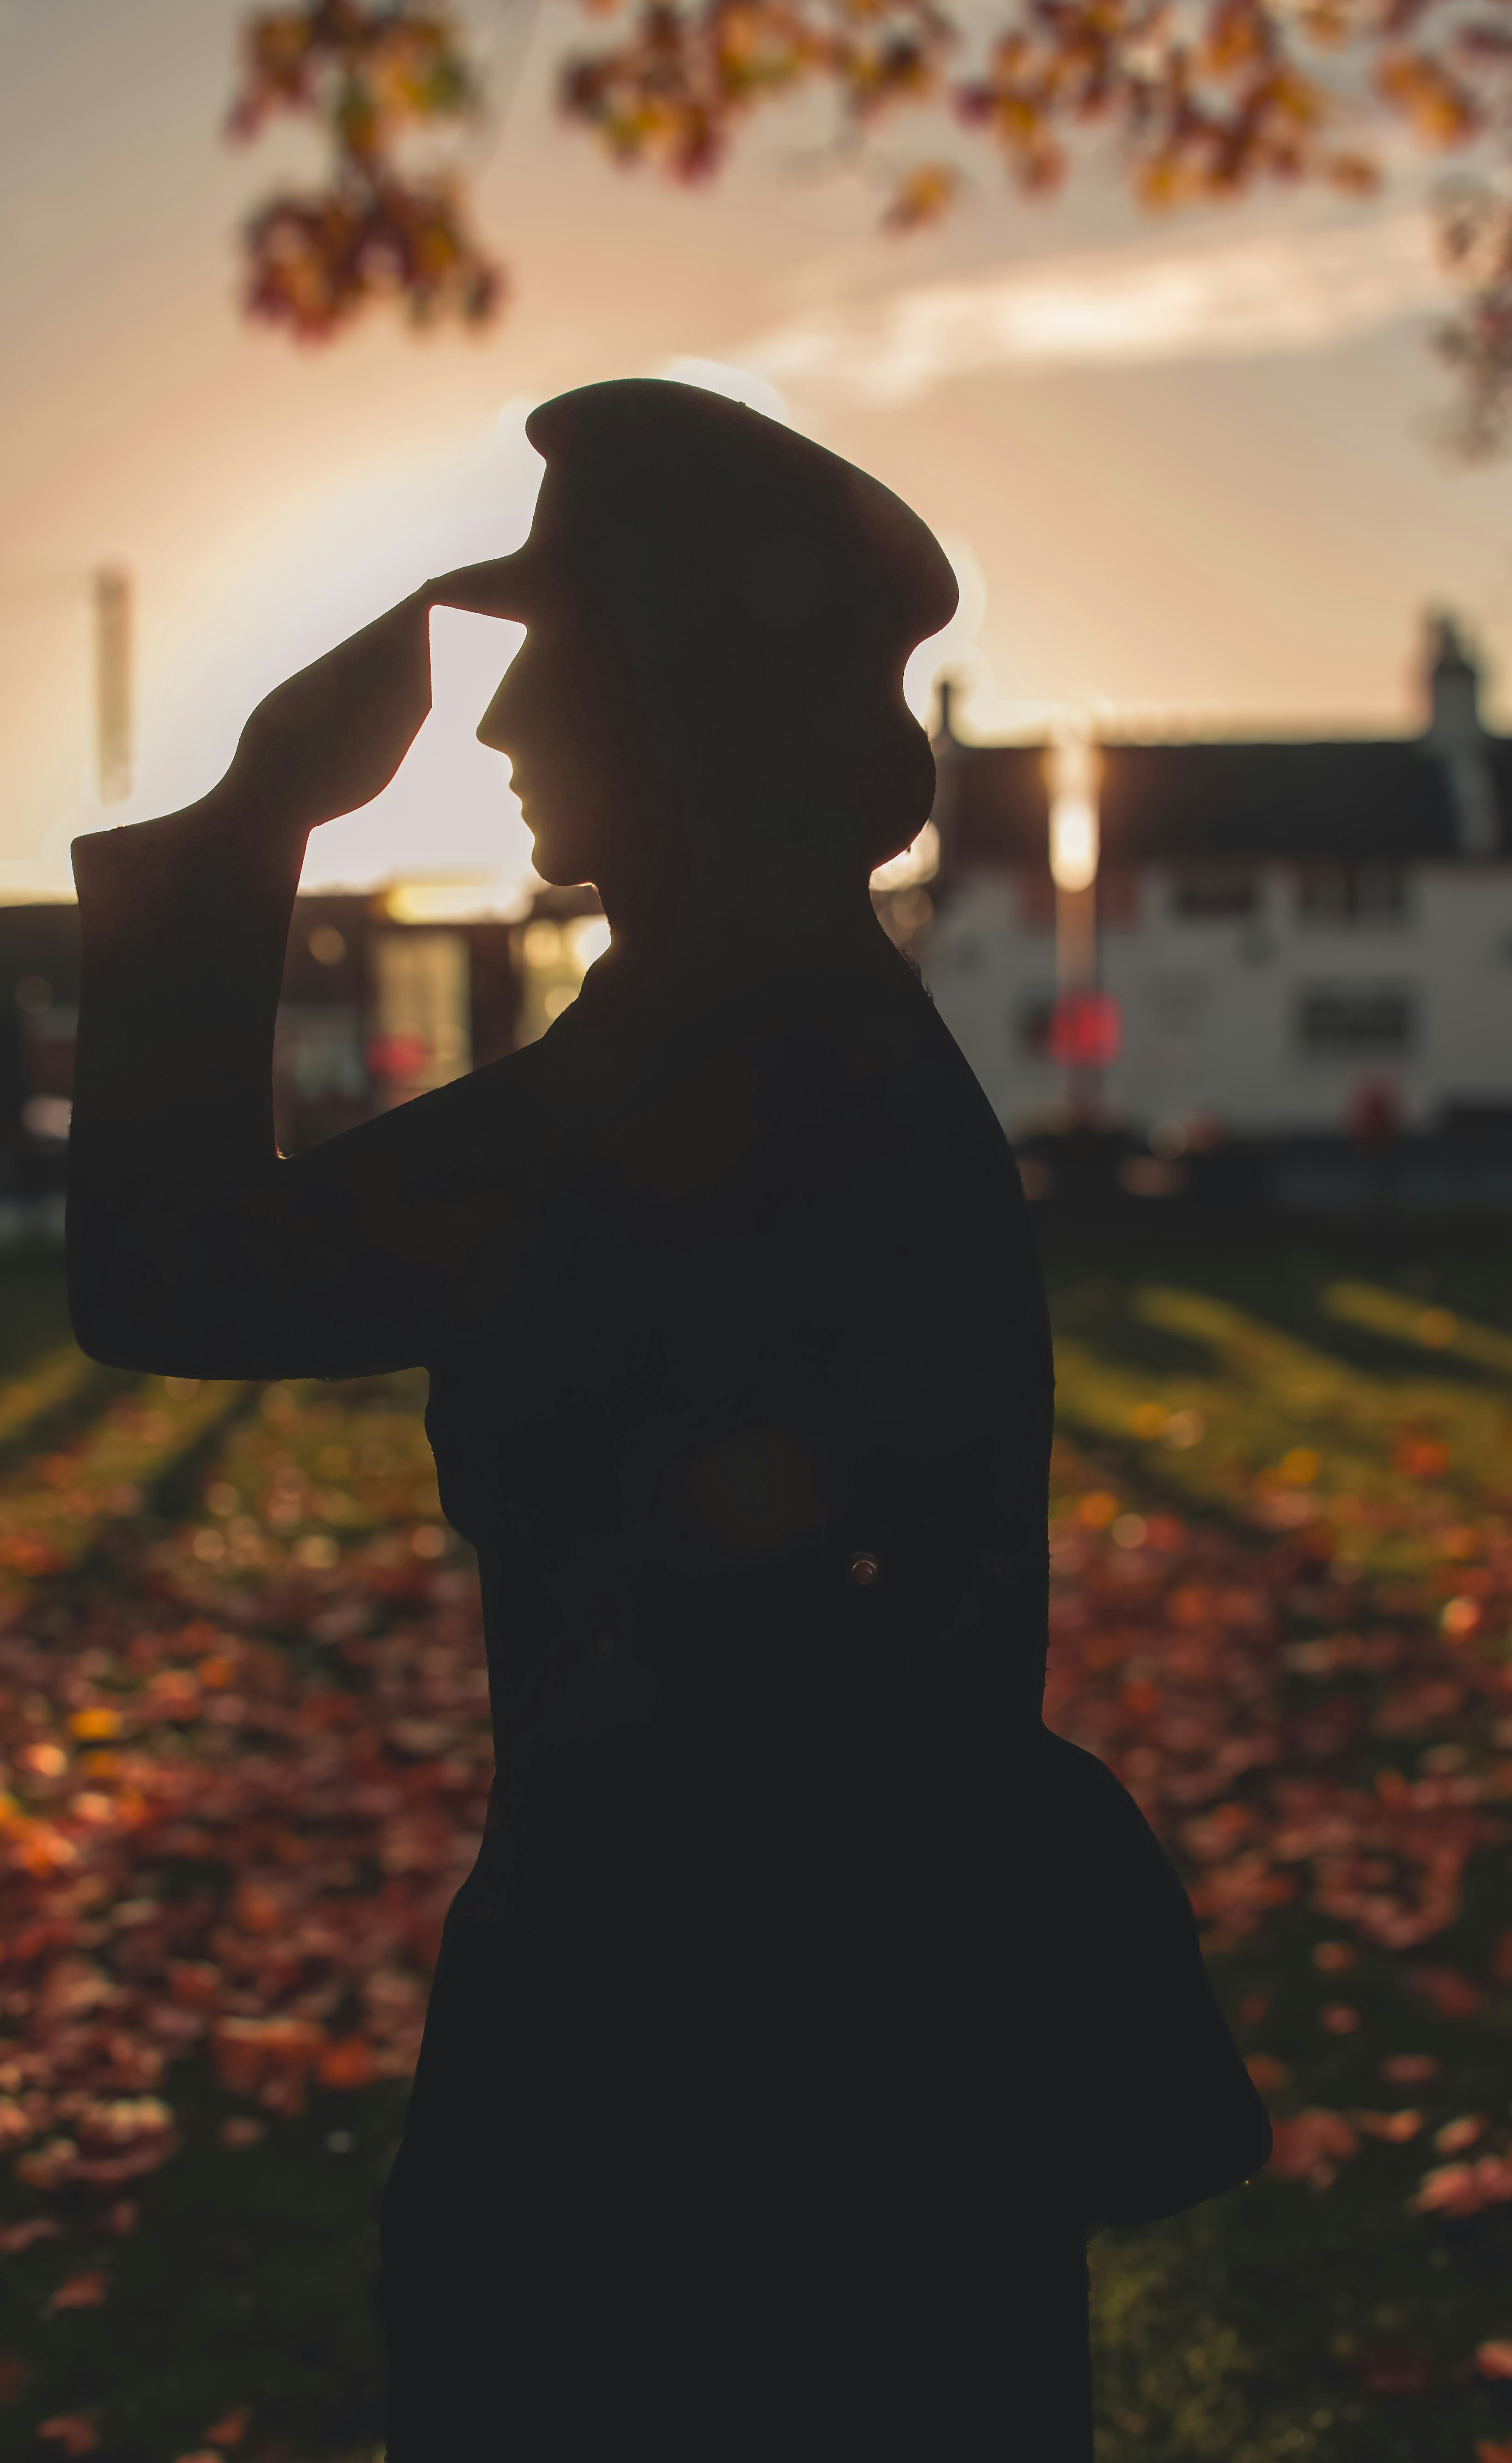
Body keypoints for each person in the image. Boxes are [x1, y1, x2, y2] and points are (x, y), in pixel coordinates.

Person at [66, 379, 1270, 2460]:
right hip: (836, 2076)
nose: (507, 732)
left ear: (683, 705)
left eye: (553, 668)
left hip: (687, 2108)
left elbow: (173, 1275)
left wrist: (261, 812)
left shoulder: (698, 1096)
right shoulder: (784, 1045)